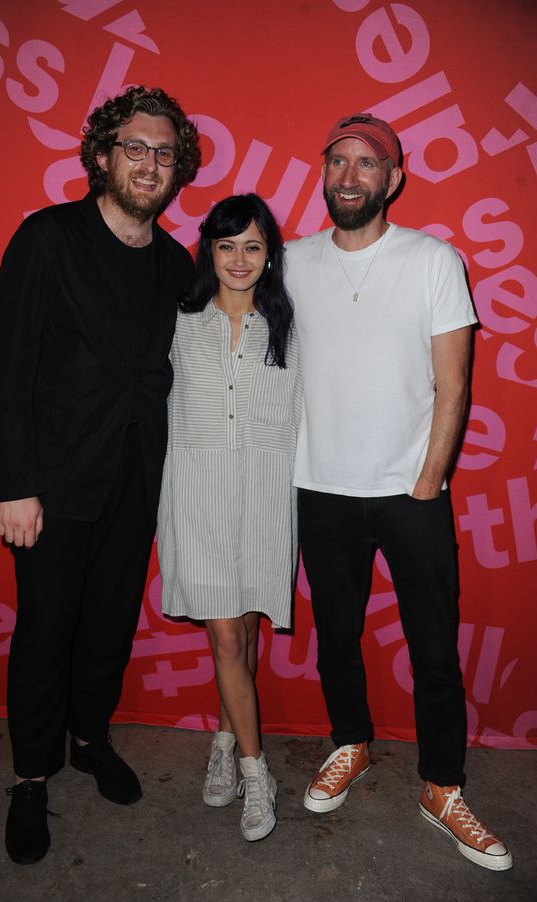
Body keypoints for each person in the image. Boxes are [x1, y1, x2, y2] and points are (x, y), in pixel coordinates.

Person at [284, 114, 512, 871]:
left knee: (434, 648)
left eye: (366, 164)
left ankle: (442, 787)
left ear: (394, 179)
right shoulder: (288, 261)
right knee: (338, 638)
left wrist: (426, 483)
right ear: (325, 172)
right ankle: (350, 744)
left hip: (410, 496)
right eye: (338, 160)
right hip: (319, 489)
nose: (349, 175)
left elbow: (454, 384)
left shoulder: (433, 260)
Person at [0, 86, 200, 865]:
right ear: (103, 156)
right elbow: (5, 366)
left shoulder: (178, 264)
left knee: (107, 627)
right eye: (135, 147)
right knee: (45, 634)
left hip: (138, 484)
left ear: (179, 170)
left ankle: (87, 740)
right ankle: (31, 777)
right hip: (51, 484)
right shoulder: (48, 238)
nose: (150, 163)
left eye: (165, 152)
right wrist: (14, 486)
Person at [157, 194, 301, 842]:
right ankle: (254, 768)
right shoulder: (179, 322)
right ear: (208, 252)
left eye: (252, 246)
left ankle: (222, 738)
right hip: (199, 493)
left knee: (243, 636)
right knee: (224, 638)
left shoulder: (294, 329)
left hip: (267, 497)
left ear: (269, 255)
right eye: (225, 246)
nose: (238, 259)